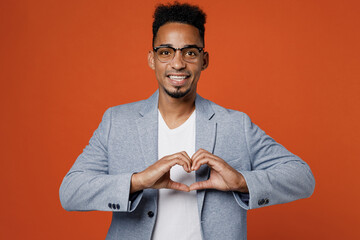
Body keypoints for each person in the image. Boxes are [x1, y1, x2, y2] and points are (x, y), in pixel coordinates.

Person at [59, 2, 315, 240]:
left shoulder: (236, 125)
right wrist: (138, 181)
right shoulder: (117, 121)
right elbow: (70, 191)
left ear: (204, 60)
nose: (178, 63)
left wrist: (241, 182)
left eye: (190, 52)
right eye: (166, 52)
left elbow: (302, 177)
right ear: (152, 59)